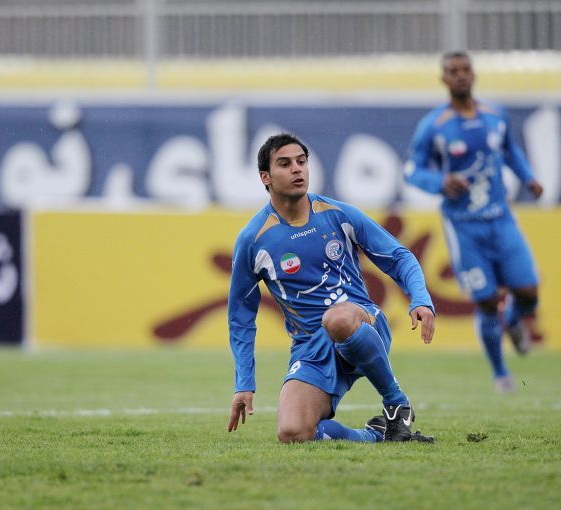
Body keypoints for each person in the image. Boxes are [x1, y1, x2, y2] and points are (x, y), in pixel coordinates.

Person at [227, 133, 436, 443]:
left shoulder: (337, 214)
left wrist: (420, 298)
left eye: (301, 161)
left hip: (362, 322)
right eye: (284, 164)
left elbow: (399, 256)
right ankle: (377, 436)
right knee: (293, 433)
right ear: (265, 177)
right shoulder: (253, 240)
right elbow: (241, 317)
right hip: (311, 345)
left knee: (337, 319)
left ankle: (396, 404)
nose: (296, 169)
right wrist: (244, 383)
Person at [403, 51, 543, 392]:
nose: (461, 75)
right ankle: (501, 374)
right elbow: (412, 170)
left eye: (465, 69)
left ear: (474, 74)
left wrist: (528, 177)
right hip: (463, 224)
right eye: (453, 71)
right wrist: (440, 182)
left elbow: (510, 151)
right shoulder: (434, 125)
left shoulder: (495, 115)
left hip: (501, 219)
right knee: (486, 300)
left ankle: (513, 321)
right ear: (444, 79)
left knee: (528, 292)